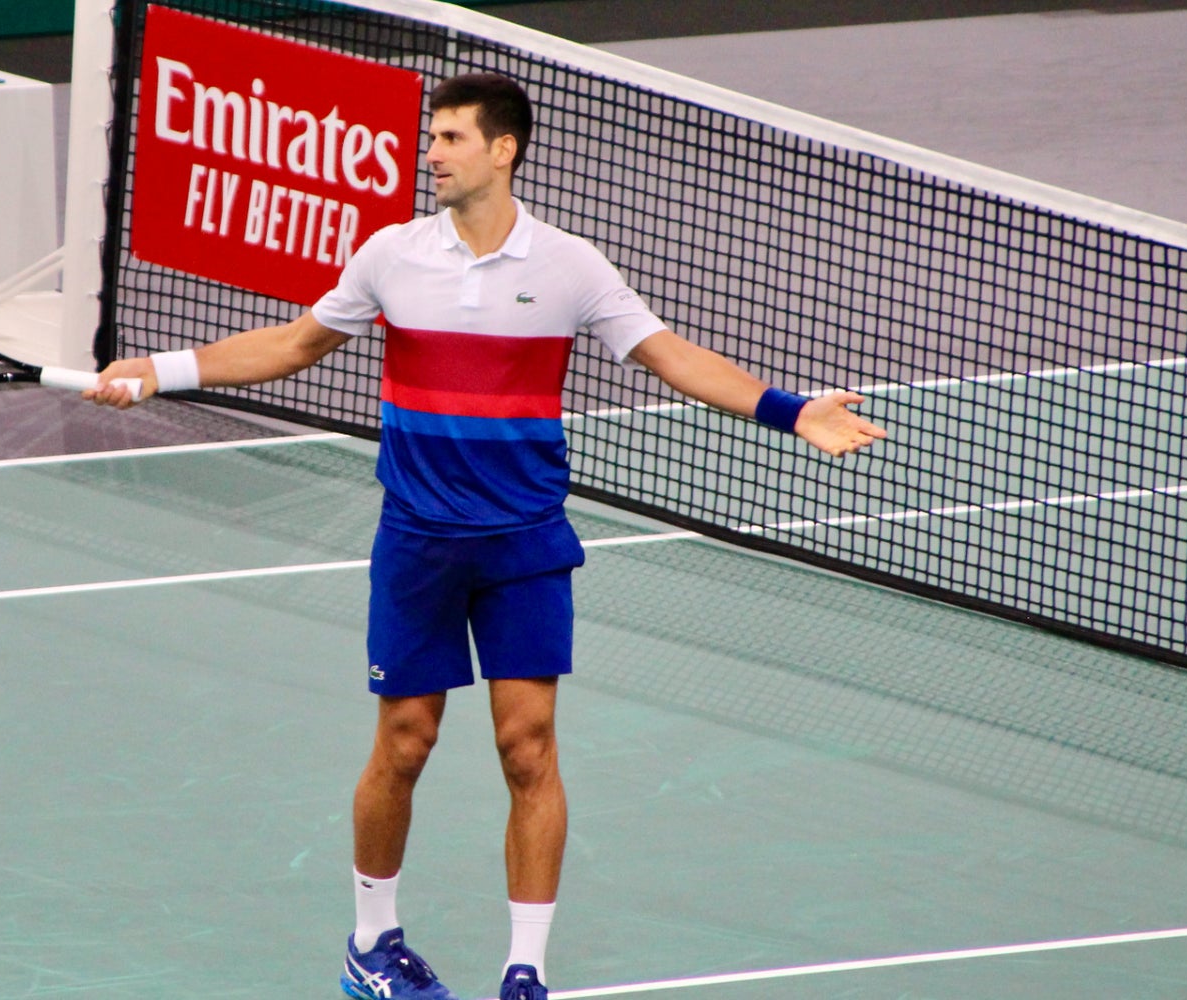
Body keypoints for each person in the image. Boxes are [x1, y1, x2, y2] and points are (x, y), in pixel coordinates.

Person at [84, 71, 884, 1000]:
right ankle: (372, 944)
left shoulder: (572, 267)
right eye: (433, 138)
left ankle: (524, 970)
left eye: (452, 138)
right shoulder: (391, 255)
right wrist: (163, 368)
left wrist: (790, 412)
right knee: (406, 741)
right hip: (420, 537)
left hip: (524, 541)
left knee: (530, 747)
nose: (432, 153)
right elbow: (297, 344)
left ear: (503, 151)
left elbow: (670, 356)